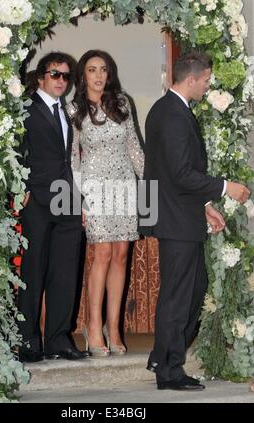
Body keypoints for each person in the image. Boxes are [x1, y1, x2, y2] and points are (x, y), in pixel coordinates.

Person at [140, 50, 250, 390]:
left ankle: (163, 356)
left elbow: (174, 172)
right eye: (205, 81)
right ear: (191, 79)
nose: (206, 86)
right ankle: (169, 371)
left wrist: (204, 204)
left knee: (193, 288)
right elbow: (181, 173)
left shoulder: (170, 109)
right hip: (174, 219)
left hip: (180, 212)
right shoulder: (172, 114)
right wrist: (225, 188)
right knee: (179, 295)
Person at [66, 50, 144, 356]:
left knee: (121, 255)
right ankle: (92, 325)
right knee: (101, 254)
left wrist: (151, 186)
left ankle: (114, 328)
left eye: (103, 70)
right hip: (94, 187)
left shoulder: (122, 102)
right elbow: (73, 157)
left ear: (109, 74)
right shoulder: (74, 108)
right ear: (83, 76)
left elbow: (135, 147)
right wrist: (80, 198)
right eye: (91, 70)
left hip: (125, 185)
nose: (98, 76)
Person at [18, 52, 89, 362]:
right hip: (37, 199)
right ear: (40, 78)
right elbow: (14, 151)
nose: (62, 80)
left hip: (67, 200)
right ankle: (28, 341)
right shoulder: (25, 110)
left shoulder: (69, 111)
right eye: (55, 74)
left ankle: (58, 339)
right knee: (33, 271)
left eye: (66, 75)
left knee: (64, 273)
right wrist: (19, 188)